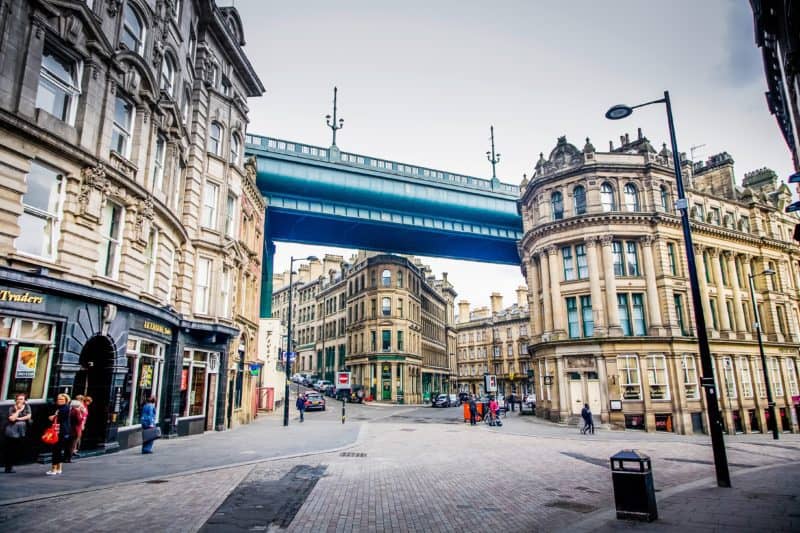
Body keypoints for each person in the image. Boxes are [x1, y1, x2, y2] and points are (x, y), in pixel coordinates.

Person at [4, 393, 32, 473]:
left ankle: (12, 464)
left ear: (24, 400)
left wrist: (19, 418)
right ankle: (8, 467)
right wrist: (18, 410)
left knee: (17, 447)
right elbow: (12, 419)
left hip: (22, 429)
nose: (19, 400)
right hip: (12, 430)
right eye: (18, 399)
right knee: (10, 448)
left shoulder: (27, 406)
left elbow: (29, 416)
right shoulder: (11, 408)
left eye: (21, 399)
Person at [47, 393, 72, 475]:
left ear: (66, 400)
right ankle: (59, 468)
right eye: (58, 399)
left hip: (60, 431)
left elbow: (60, 417)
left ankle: (54, 469)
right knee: (58, 450)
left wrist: (53, 416)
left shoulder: (65, 408)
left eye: (61, 399)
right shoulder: (61, 408)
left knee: (56, 450)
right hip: (61, 431)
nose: (59, 401)